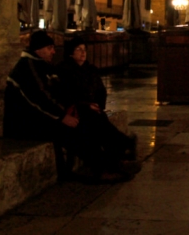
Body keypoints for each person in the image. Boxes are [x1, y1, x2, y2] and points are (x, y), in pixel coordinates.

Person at [4, 30, 134, 183]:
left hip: (45, 116)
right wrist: (63, 116)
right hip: (27, 123)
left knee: (90, 116)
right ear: (38, 49)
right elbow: (40, 98)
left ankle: (115, 158)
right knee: (74, 130)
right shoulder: (27, 67)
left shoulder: (42, 65)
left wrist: (80, 106)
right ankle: (101, 168)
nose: (53, 51)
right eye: (50, 48)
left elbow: (60, 92)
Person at [56, 36, 137, 171]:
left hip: (92, 109)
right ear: (71, 52)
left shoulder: (91, 70)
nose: (83, 53)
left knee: (100, 120)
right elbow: (67, 95)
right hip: (79, 111)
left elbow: (101, 91)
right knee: (97, 123)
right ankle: (122, 149)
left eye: (84, 50)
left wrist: (98, 105)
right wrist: (87, 105)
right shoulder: (65, 70)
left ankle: (119, 154)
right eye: (79, 49)